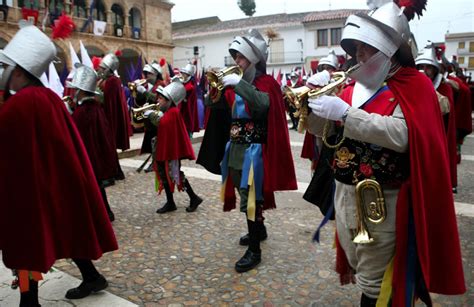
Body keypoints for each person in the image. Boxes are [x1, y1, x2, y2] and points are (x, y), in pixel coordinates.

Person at [305, 1, 465, 306]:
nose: (358, 56)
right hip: (347, 198)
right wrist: (312, 112)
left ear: (387, 50)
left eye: (365, 48)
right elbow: (328, 135)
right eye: (355, 49)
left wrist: (346, 115)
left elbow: (402, 134)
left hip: (386, 204)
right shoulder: (352, 89)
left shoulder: (414, 84)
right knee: (363, 272)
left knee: (378, 287)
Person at [0, 24, 118, 306]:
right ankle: (91, 277)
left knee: (29, 241)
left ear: (18, 71)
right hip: (58, 182)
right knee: (66, 227)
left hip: (34, 188)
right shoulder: (49, 98)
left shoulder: (19, 105)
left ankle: (29, 301)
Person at [198, 29, 297, 273]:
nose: (236, 62)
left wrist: (239, 85)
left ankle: (255, 249)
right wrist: (214, 90)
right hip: (237, 147)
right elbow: (212, 104)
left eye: (240, 57)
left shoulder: (265, 83)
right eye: (235, 57)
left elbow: (263, 105)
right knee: (244, 193)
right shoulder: (237, 83)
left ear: (253, 59)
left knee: (251, 198)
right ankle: (259, 229)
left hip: (255, 150)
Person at [144, 79, 203, 213]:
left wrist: (153, 116)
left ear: (169, 101)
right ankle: (170, 202)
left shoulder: (173, 112)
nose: (158, 100)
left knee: (175, 175)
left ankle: (194, 198)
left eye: (161, 99)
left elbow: (163, 124)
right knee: (164, 175)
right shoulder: (168, 111)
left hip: (171, 152)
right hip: (164, 149)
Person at [68, 63, 117, 221]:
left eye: (76, 89)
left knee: (93, 186)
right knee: (97, 186)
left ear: (81, 91)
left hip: (90, 156)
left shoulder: (83, 112)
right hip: (97, 156)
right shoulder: (95, 107)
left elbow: (74, 134)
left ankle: (102, 213)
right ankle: (106, 212)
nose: (74, 92)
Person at [415, 43, 458, 193]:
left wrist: (427, 90)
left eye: (428, 67)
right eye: (421, 66)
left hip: (436, 137)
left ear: (434, 69)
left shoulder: (443, 88)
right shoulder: (414, 83)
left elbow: (445, 108)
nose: (424, 70)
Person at [97, 52, 131, 180]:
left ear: (108, 69)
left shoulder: (113, 81)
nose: (99, 70)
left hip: (109, 117)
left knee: (109, 146)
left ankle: (113, 173)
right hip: (104, 116)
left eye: (102, 68)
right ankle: (117, 171)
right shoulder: (104, 80)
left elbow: (108, 101)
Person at [134, 61, 166, 173]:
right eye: (145, 74)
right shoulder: (149, 86)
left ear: (156, 74)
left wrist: (145, 92)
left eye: (149, 74)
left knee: (156, 141)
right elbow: (140, 103)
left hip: (157, 117)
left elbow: (159, 100)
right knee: (152, 141)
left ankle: (156, 162)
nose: (146, 76)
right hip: (150, 118)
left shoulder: (161, 84)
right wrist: (138, 93)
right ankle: (154, 161)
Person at [179, 62, 200, 137]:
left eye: (184, 74)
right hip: (183, 113)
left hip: (187, 114)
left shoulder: (190, 86)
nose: (182, 75)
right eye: (182, 73)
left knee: (186, 136)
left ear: (188, 75)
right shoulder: (185, 84)